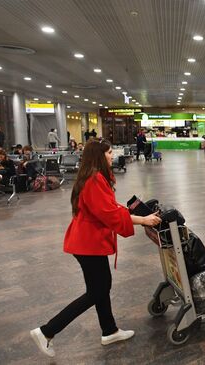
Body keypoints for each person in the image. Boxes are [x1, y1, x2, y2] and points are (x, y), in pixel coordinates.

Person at [29, 139, 161, 358]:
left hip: (87, 242)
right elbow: (108, 214)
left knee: (101, 287)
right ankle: (47, 331)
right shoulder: (94, 179)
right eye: (109, 152)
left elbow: (109, 207)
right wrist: (143, 220)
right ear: (99, 156)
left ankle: (109, 330)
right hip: (88, 244)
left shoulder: (92, 177)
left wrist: (133, 213)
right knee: (97, 291)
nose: (112, 155)